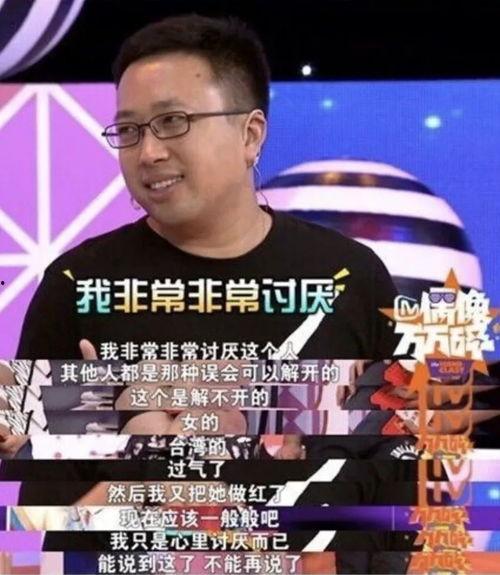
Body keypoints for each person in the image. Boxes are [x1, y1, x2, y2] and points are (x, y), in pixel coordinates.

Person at [3, 13, 402, 572]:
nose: (148, 152)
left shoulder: (349, 279)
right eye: (129, 130)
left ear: (251, 134)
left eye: (172, 122)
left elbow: (399, 484)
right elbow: (46, 517)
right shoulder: (79, 286)